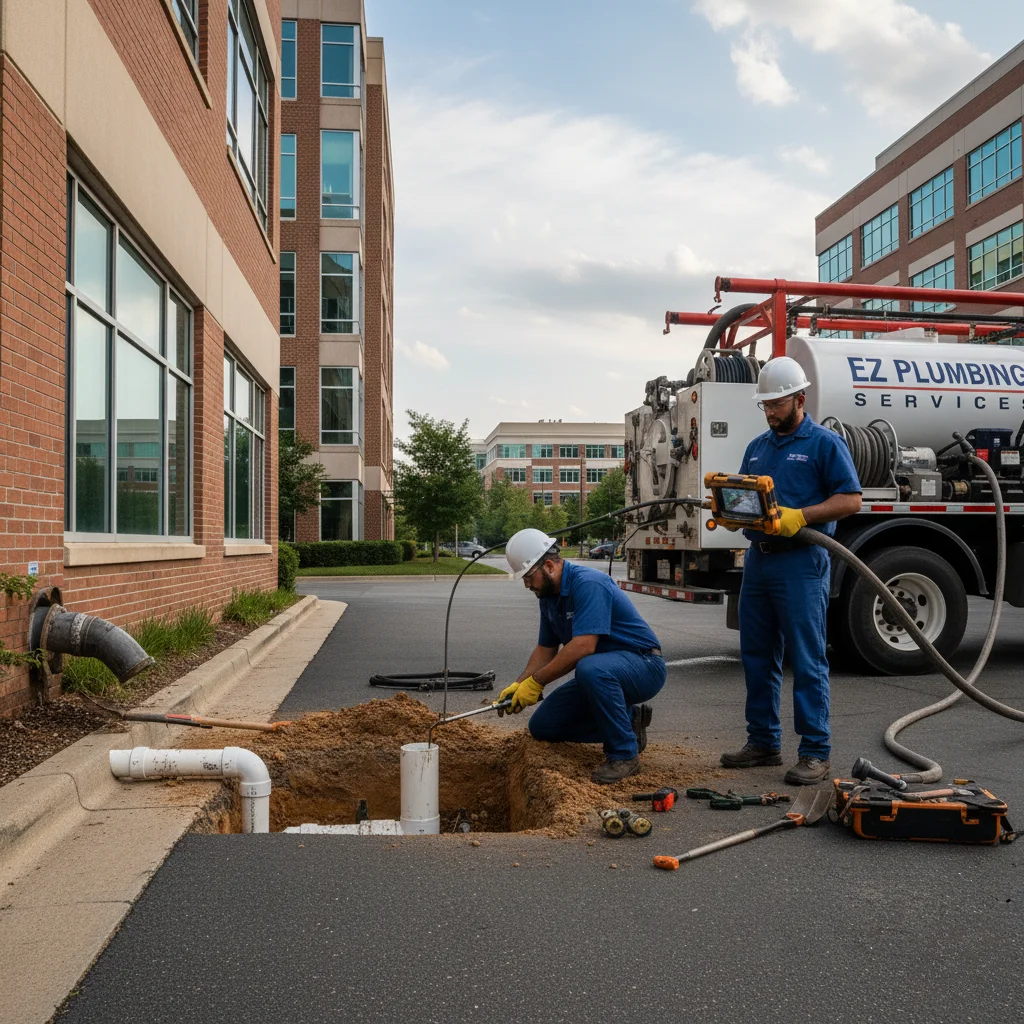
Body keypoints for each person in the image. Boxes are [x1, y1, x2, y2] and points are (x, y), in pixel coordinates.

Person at [720, 356, 862, 785]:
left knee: (806, 657)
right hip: (760, 561)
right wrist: (733, 515)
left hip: (802, 562)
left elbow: (851, 499)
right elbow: (745, 495)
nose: (770, 412)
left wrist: (801, 515)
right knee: (757, 655)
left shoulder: (824, 443)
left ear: (800, 399)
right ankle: (762, 742)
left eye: (777, 404)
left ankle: (815, 752)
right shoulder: (758, 447)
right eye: (765, 405)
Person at [499, 528, 667, 784]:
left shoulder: (588, 583)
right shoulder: (547, 597)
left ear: (549, 566)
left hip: (642, 665)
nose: (527, 584)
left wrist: (537, 682)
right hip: (602, 673)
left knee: (589, 666)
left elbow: (584, 646)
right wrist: (520, 683)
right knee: (543, 726)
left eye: (528, 577)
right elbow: (546, 649)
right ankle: (630, 722)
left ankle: (624, 754)